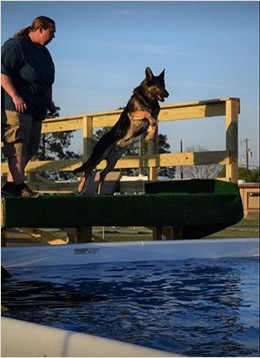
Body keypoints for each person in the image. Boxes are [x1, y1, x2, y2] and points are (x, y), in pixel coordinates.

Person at [1, 16, 59, 197]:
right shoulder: (16, 46)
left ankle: (11, 186)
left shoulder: (44, 52)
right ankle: (19, 185)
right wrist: (15, 95)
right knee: (18, 145)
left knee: (30, 148)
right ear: (40, 29)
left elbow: (47, 81)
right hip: (16, 106)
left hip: (37, 108)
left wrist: (50, 102)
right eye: (51, 32)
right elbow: (2, 72)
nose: (53, 37)